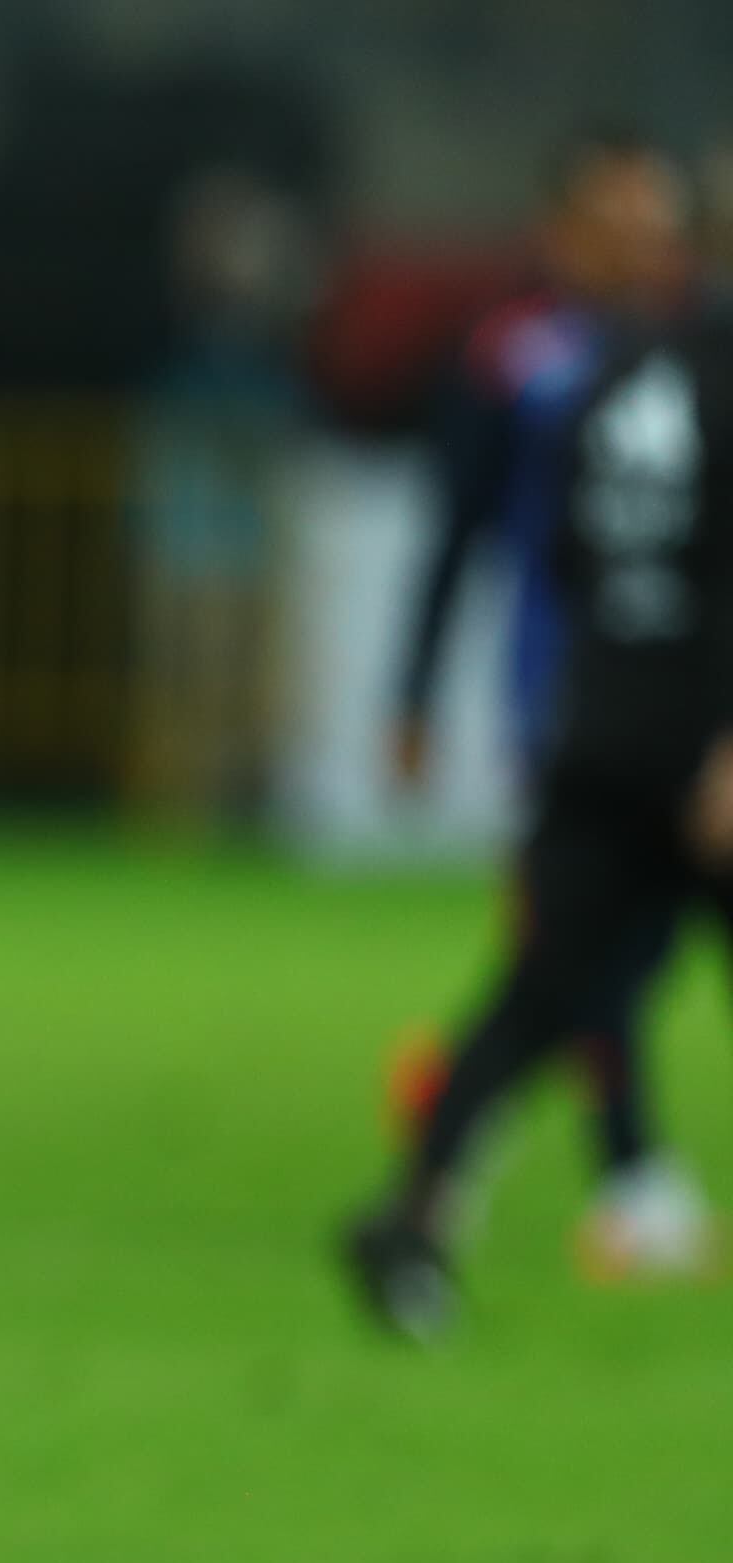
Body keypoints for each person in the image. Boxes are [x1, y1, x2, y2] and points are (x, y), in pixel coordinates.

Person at [343, 313, 733, 1338]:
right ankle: (616, 1188)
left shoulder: (597, 381)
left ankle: (418, 1210)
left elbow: (558, 558)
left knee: (540, 994)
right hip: (705, 744)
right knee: (569, 992)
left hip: (598, 731)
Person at [388, 129, 708, 1281]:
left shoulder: (687, 351)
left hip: (684, 700)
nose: (641, 246)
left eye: (656, 225)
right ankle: (625, 1177)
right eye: (616, 224)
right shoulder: (517, 358)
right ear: (562, 230)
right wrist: (415, 690)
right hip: (572, 701)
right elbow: (460, 528)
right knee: (595, 951)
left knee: (604, 954)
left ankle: (460, 1127)